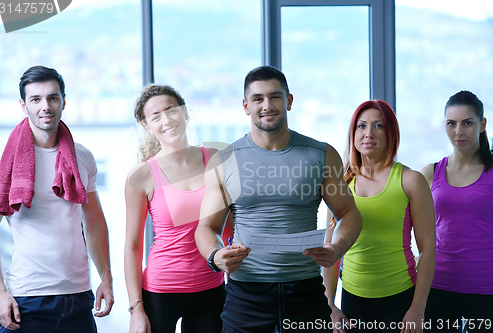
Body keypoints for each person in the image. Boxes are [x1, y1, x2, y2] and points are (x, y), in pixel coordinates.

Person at [194, 65, 362, 333]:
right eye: (257, 98)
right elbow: (206, 227)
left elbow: (349, 213)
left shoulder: (322, 154)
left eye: (275, 96)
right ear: (246, 106)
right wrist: (215, 256)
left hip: (305, 289)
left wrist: (337, 248)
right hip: (246, 293)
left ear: (289, 101)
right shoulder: (224, 161)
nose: (267, 105)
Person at [0, 66, 114, 332]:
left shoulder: (83, 157)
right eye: (35, 99)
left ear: (63, 101)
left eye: (52, 97)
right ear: (24, 105)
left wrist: (106, 277)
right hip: (26, 299)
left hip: (79, 298)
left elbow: (93, 223)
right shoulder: (4, 161)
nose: (45, 106)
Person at [124, 84, 231, 333]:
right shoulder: (141, 177)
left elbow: (231, 227)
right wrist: (136, 310)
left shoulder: (217, 159)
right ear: (147, 126)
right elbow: (132, 246)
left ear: (185, 112)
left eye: (171, 110)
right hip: (161, 292)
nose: (167, 120)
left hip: (212, 290)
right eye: (156, 116)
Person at [324, 100, 436, 333]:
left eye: (378, 126)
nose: (368, 134)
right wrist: (330, 306)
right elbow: (330, 252)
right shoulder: (340, 184)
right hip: (352, 302)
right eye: (362, 126)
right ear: (353, 133)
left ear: (391, 133)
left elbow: (427, 250)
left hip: (401, 301)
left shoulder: (410, 180)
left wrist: (418, 308)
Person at [420, 91, 493, 333]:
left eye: (467, 123)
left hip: (486, 292)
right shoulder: (430, 172)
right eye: (452, 123)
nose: (458, 132)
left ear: (482, 125)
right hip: (437, 287)